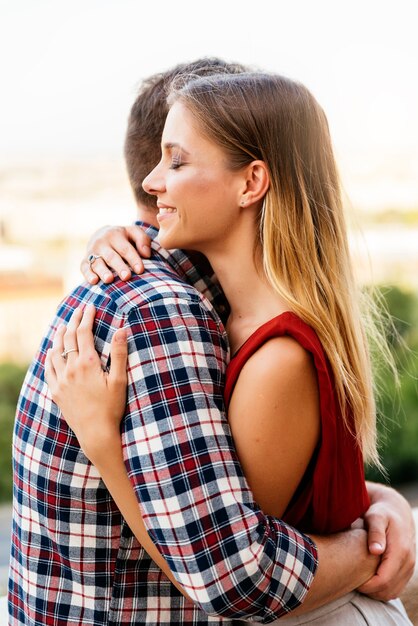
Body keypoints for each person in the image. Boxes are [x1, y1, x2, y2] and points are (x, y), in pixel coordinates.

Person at [9, 61, 415, 626]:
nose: (155, 182)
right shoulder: (208, 306)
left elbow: (222, 568)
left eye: (177, 160)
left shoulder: (267, 347)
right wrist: (377, 505)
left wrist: (103, 441)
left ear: (251, 182)